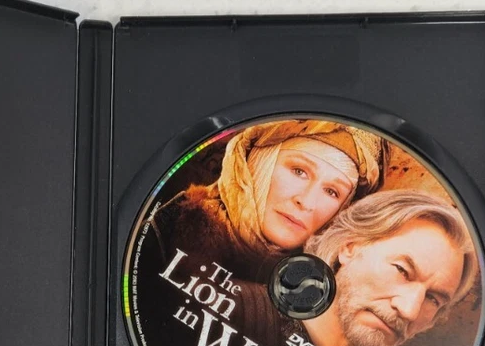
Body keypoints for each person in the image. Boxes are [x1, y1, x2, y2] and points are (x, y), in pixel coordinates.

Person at [232, 190, 478, 346]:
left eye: (433, 299)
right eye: (402, 270)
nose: (409, 310)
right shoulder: (232, 308)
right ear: (349, 247)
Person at [148, 119, 387, 282]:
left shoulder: (319, 302)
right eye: (299, 171)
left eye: (332, 192)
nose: (306, 202)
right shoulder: (160, 232)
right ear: (256, 161)